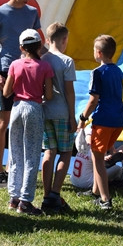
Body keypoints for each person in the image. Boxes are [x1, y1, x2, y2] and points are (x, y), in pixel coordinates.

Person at [0, 0, 41, 189]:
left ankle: (13, 166)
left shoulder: (32, 12)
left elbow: (38, 44)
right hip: (6, 71)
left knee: (24, 120)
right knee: (3, 121)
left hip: (28, 73)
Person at [2, 29, 53, 215]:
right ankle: (25, 200)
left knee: (15, 152)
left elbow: (6, 92)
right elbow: (48, 94)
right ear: (40, 46)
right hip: (34, 108)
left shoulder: (15, 64)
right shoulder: (45, 67)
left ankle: (14, 197)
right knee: (31, 155)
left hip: (17, 108)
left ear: (21, 47)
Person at [77, 34, 123, 211]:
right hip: (118, 119)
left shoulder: (97, 72)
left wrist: (83, 118)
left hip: (103, 119)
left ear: (98, 53)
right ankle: (96, 191)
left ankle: (105, 199)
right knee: (100, 154)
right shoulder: (118, 71)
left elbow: (93, 100)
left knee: (98, 160)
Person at [39, 22, 76, 212]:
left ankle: (46, 195)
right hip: (62, 112)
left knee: (49, 151)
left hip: (46, 111)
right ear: (64, 40)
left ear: (47, 39)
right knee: (66, 152)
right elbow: (69, 91)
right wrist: (72, 116)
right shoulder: (67, 61)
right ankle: (55, 193)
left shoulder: (42, 59)